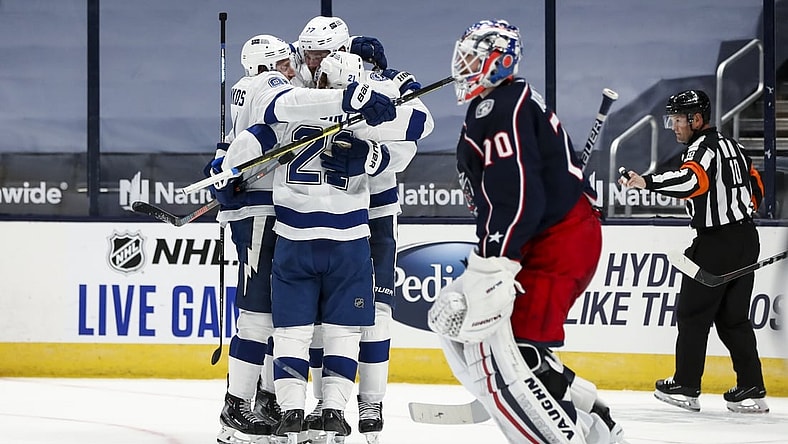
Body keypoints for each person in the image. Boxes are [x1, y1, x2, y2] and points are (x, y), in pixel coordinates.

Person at [427, 19, 624, 444]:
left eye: (472, 57)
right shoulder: (504, 102)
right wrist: (492, 251)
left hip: (557, 240)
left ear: (498, 61)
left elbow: (516, 192)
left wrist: (496, 258)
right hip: (557, 235)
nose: (462, 66)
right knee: (519, 348)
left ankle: (568, 430)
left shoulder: (498, 107)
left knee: (513, 352)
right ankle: (594, 415)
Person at [211, 33, 397, 444]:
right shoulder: (271, 87)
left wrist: (225, 165)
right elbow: (279, 112)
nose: (295, 67)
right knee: (264, 318)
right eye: (287, 62)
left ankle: (274, 402)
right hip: (266, 216)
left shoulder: (283, 94)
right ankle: (240, 405)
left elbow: (249, 139)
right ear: (266, 66)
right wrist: (352, 102)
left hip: (280, 220)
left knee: (285, 323)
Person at [619, 89, 768, 414]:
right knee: (734, 320)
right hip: (746, 238)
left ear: (696, 119)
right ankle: (751, 388)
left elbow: (692, 181)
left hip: (715, 244)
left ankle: (686, 385)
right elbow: (757, 187)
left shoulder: (702, 149)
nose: (673, 125)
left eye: (677, 119)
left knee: (692, 314)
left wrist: (647, 182)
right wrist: (737, 216)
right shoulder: (735, 147)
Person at [310, 51, 429, 444]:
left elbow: (417, 130)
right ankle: (325, 404)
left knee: (376, 313)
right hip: (327, 212)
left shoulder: (389, 87)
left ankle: (371, 401)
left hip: (376, 213)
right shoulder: (316, 90)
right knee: (318, 315)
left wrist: (370, 155)